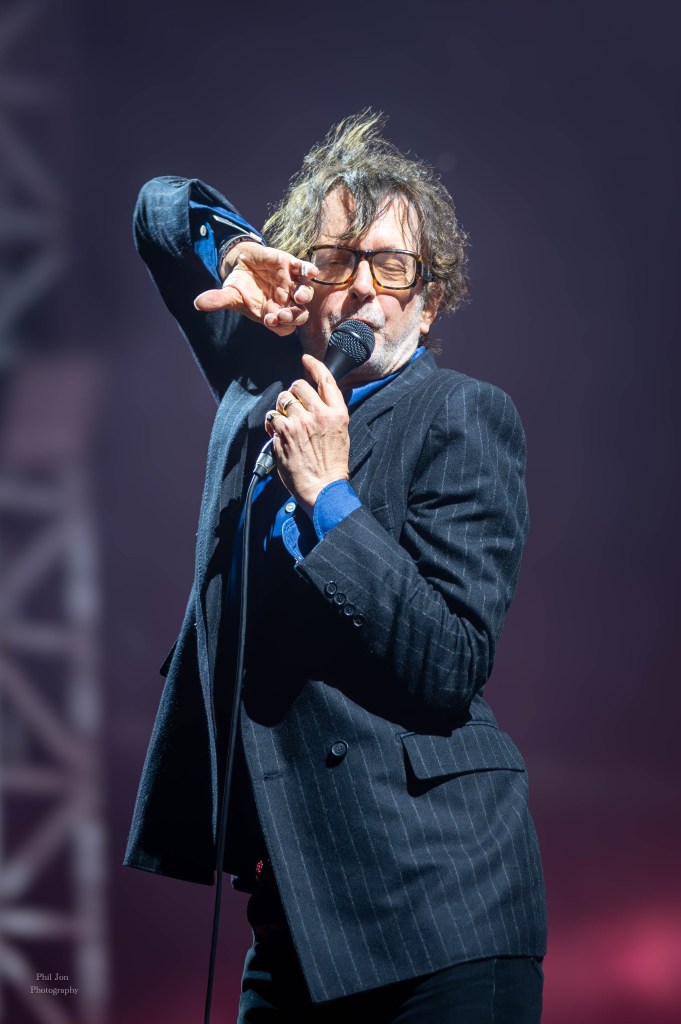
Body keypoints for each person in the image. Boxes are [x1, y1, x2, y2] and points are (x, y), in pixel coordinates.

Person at [124, 111, 547, 1022]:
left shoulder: (462, 414)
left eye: (390, 266)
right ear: (302, 281)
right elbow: (157, 212)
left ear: (428, 302)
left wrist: (329, 498)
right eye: (334, 259)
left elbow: (450, 663)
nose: (359, 287)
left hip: (439, 904)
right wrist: (238, 250)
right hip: (296, 912)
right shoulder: (260, 385)